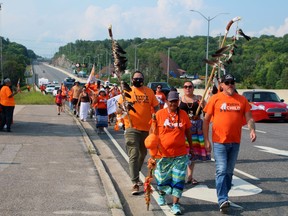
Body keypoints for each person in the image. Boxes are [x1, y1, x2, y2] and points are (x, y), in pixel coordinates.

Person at [203, 74, 256, 212]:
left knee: (229, 172)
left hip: (235, 142)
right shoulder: (215, 99)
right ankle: (222, 199)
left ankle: (224, 196)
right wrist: (206, 140)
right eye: (227, 82)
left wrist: (252, 130)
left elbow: (249, 117)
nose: (230, 85)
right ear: (221, 85)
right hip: (219, 141)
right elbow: (206, 120)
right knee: (221, 169)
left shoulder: (242, 100)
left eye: (232, 82)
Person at [117, 71, 159, 195]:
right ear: (131, 80)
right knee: (134, 153)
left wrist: (155, 116)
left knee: (142, 154)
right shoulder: (127, 92)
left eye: (140, 78)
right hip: (131, 127)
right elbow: (118, 109)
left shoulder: (149, 92)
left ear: (143, 79)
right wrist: (123, 107)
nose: (138, 80)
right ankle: (135, 182)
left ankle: (136, 171)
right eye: (135, 78)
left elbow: (156, 106)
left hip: (146, 129)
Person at [154, 91, 193, 215]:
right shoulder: (159, 114)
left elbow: (188, 132)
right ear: (167, 102)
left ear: (178, 102)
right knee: (163, 179)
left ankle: (175, 204)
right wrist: (152, 151)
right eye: (171, 101)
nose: (173, 103)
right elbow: (152, 134)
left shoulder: (184, 114)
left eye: (175, 101)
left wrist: (191, 146)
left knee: (178, 180)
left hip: (180, 154)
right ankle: (161, 194)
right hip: (163, 154)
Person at [179, 81, 208, 185]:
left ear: (193, 88)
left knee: (192, 153)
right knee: (182, 153)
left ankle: (190, 177)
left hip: (196, 128)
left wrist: (203, 105)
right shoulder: (180, 100)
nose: (188, 88)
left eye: (190, 86)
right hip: (183, 128)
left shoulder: (199, 98)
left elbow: (207, 111)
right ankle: (180, 176)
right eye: (185, 86)